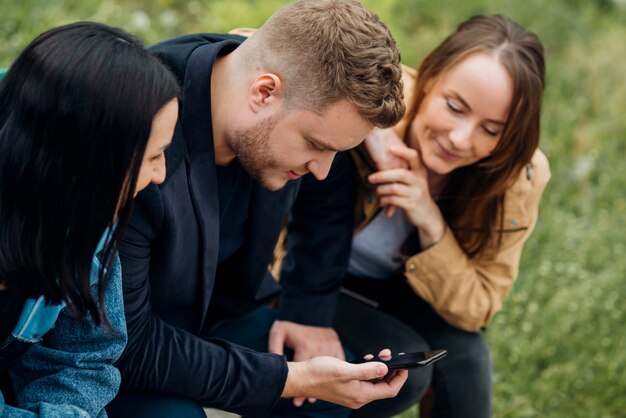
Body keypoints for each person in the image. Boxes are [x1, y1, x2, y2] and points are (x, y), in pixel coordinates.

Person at [106, 1, 407, 418]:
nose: (322, 170)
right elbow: (127, 345)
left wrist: (307, 309)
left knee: (349, 390)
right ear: (263, 92)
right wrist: (292, 378)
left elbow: (330, 188)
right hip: (133, 348)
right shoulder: (142, 137)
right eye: (318, 146)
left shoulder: (268, 84)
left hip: (223, 314)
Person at [277, 13, 550, 418]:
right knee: (399, 374)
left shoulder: (517, 176)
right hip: (304, 272)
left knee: (467, 361)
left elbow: (477, 306)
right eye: (455, 107)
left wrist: (429, 220)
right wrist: (375, 129)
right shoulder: (375, 94)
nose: (461, 139)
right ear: (428, 79)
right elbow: (252, 46)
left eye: (491, 130)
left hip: (403, 290)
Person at [0, 22, 179, 417]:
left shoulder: (86, 222)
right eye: (152, 156)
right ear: (88, 160)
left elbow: (85, 357)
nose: (160, 175)